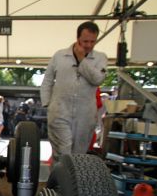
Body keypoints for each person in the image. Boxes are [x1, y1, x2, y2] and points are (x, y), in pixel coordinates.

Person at [40, 21, 107, 163]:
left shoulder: (100, 58)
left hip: (85, 114)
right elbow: (47, 81)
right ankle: (60, 184)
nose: (89, 45)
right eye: (85, 41)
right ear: (77, 39)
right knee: (64, 150)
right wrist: (47, 104)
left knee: (78, 155)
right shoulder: (59, 56)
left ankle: (71, 183)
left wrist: (82, 60)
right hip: (59, 110)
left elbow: (97, 79)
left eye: (92, 41)